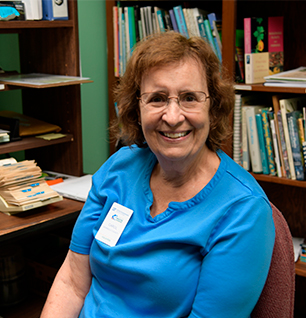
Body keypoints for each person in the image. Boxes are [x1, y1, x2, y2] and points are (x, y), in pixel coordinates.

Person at [41, 31, 275, 318]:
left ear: (212, 108)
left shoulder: (243, 210)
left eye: (189, 97)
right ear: (136, 107)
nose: (173, 116)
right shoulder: (120, 168)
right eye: (157, 98)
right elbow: (72, 283)